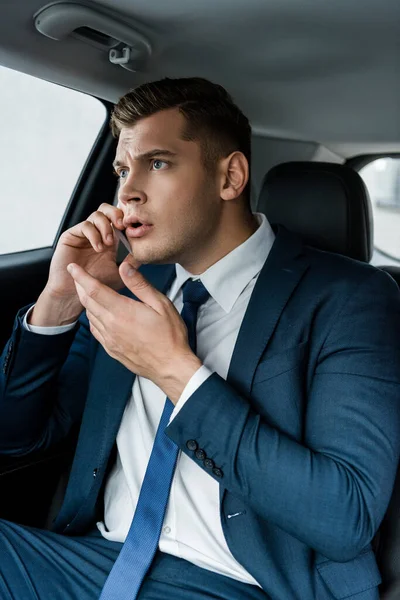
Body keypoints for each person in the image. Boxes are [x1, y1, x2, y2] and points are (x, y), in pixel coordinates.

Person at [0, 77, 400, 600]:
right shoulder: (127, 287)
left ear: (229, 176)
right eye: (123, 169)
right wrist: (59, 303)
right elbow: (16, 439)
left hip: (243, 586)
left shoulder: (350, 298)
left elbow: (345, 515)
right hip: (93, 561)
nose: (127, 191)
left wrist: (176, 372)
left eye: (158, 163)